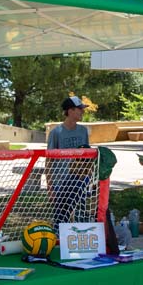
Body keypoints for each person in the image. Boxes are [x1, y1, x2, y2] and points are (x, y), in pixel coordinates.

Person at [47, 95, 91, 223]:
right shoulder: (56, 132)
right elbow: (49, 161)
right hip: (60, 182)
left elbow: (87, 157)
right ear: (70, 111)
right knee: (61, 218)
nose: (82, 111)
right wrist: (50, 186)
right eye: (79, 109)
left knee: (79, 216)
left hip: (80, 180)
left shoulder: (83, 131)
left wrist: (88, 179)